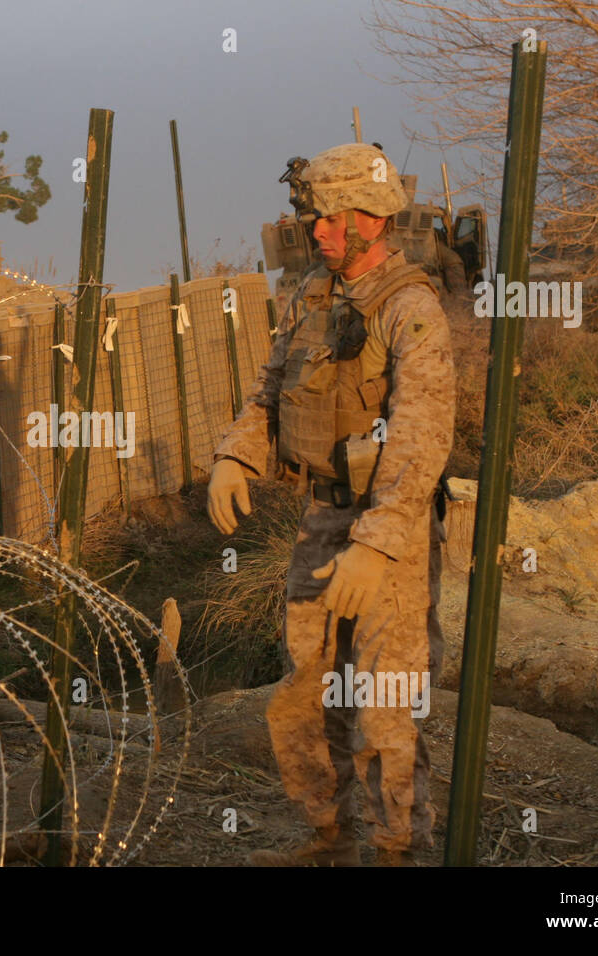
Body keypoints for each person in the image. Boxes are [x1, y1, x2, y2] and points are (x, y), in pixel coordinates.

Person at [207, 143, 455, 866]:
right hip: (321, 517)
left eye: (332, 218)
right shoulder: (310, 297)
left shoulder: (409, 310)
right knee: (307, 692)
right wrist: (235, 453)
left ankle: (400, 853)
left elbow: (420, 434)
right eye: (313, 216)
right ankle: (329, 840)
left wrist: (377, 545)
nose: (317, 231)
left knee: (385, 704)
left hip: (391, 529)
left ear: (372, 220)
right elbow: (269, 391)